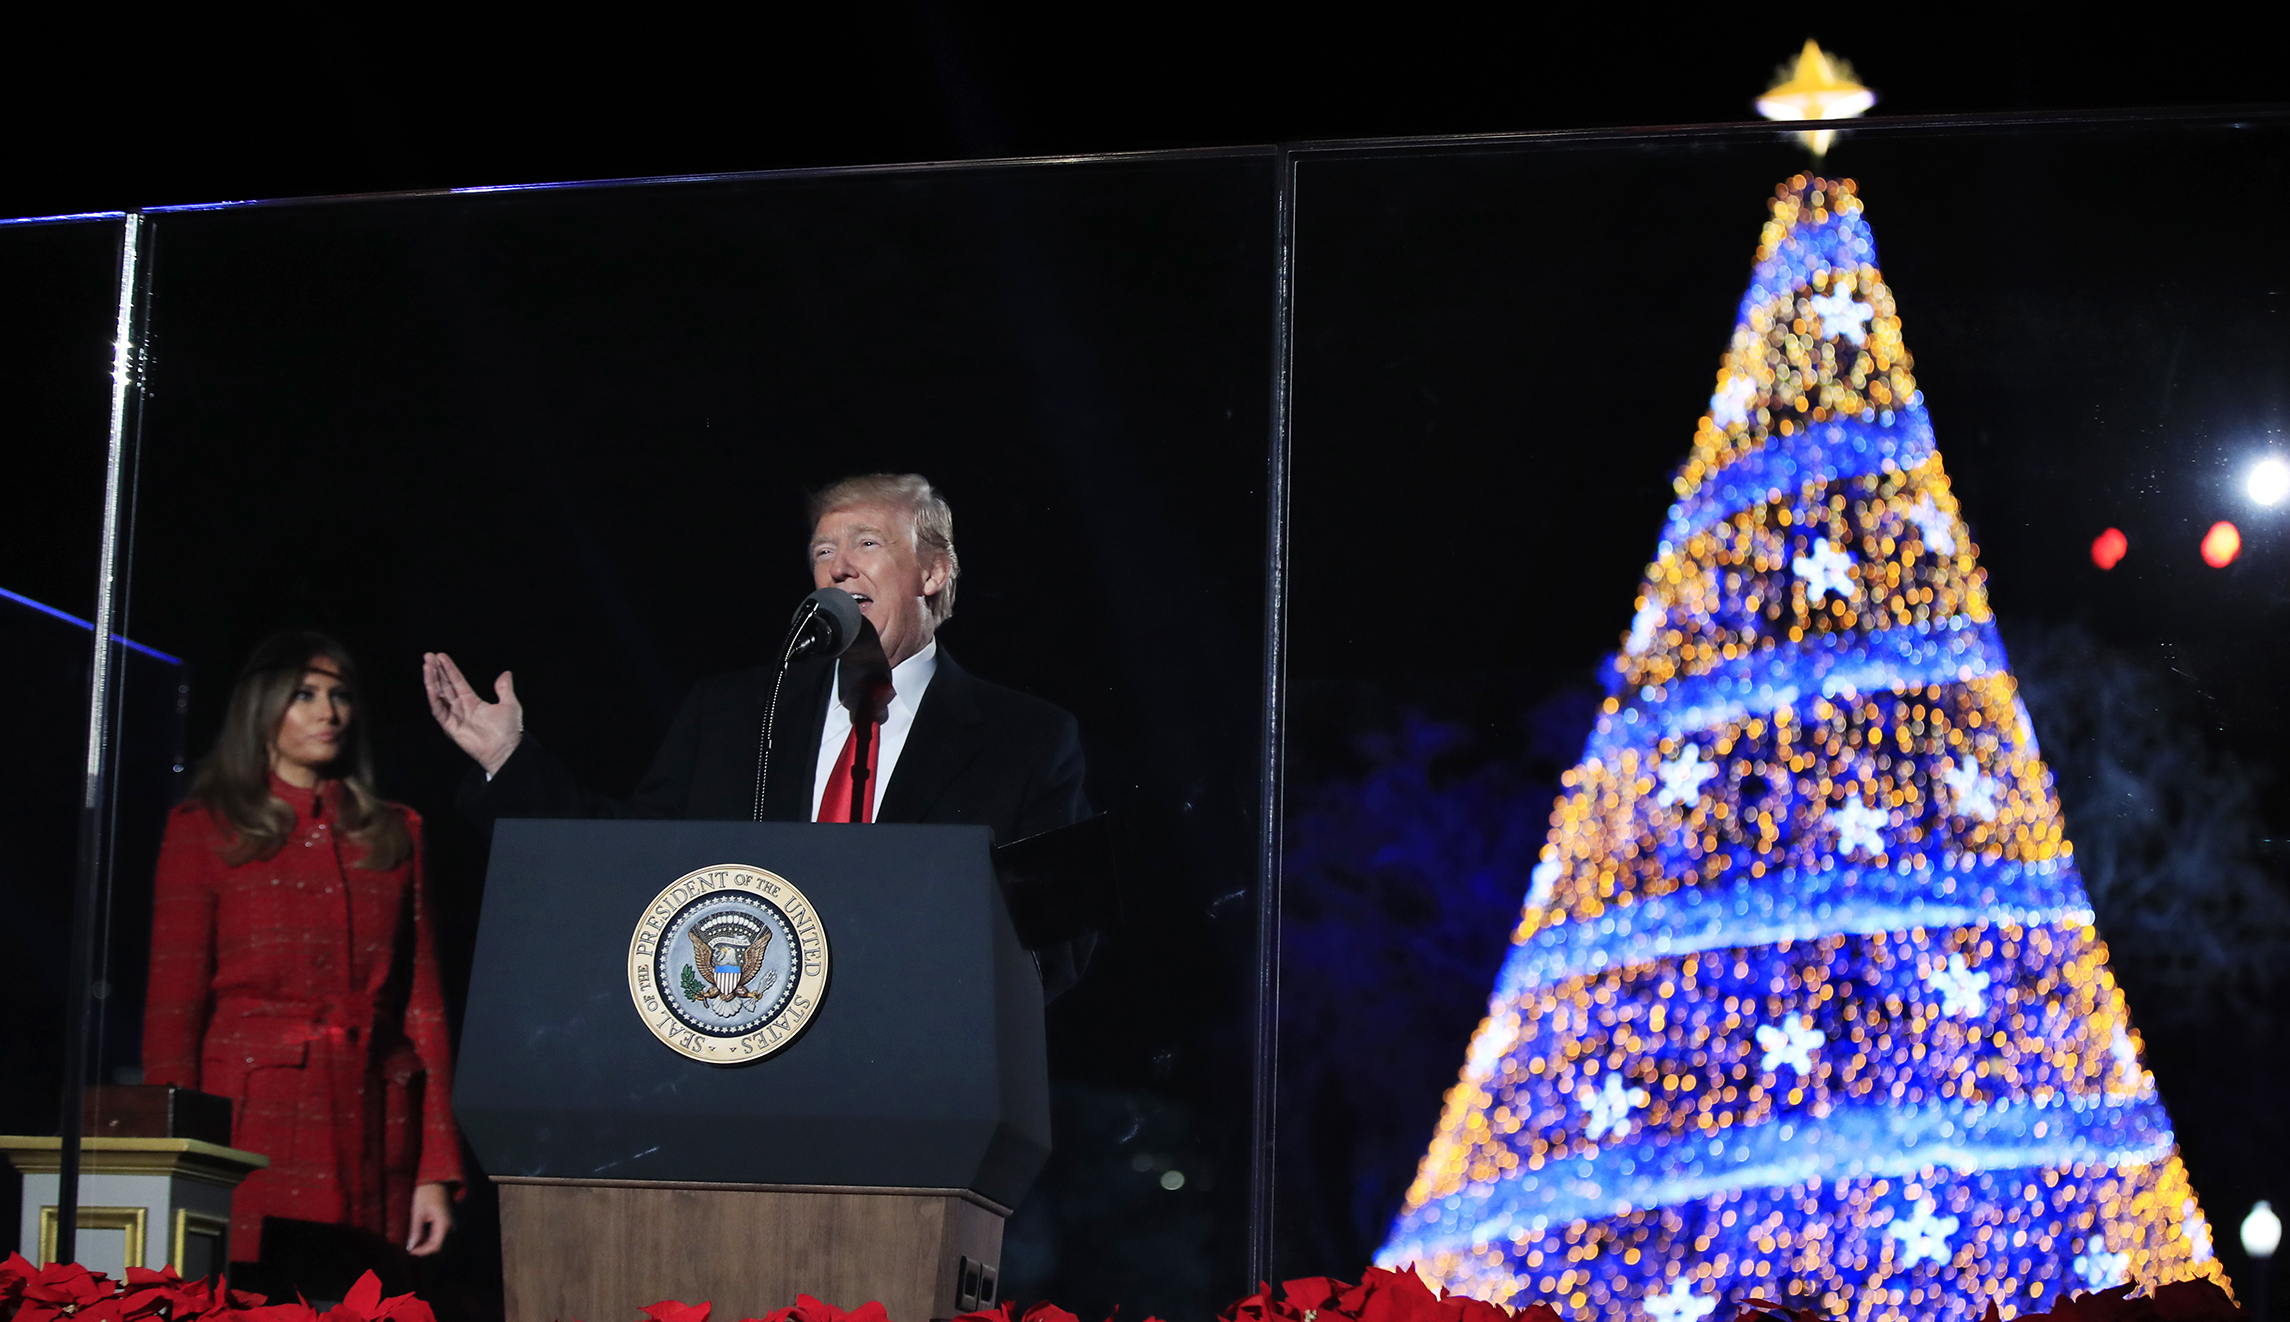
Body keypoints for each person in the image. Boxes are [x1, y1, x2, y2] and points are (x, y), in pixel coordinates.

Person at [422, 473, 1095, 991]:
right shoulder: (734, 713)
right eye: (823, 550)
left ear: (934, 570)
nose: (839, 566)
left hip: (915, 1075)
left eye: (868, 543)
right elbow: (630, 859)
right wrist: (507, 759)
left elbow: (1060, 945)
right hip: (737, 1061)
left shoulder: (1032, 739)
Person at [143, 631, 462, 1274]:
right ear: (262, 710)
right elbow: (172, 1016)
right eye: (306, 695)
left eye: (340, 695)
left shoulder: (396, 832)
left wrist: (435, 1172)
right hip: (251, 1121)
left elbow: (422, 1009)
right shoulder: (205, 829)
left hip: (375, 1119)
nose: (329, 712)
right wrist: (167, 1161)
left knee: (359, 1303)